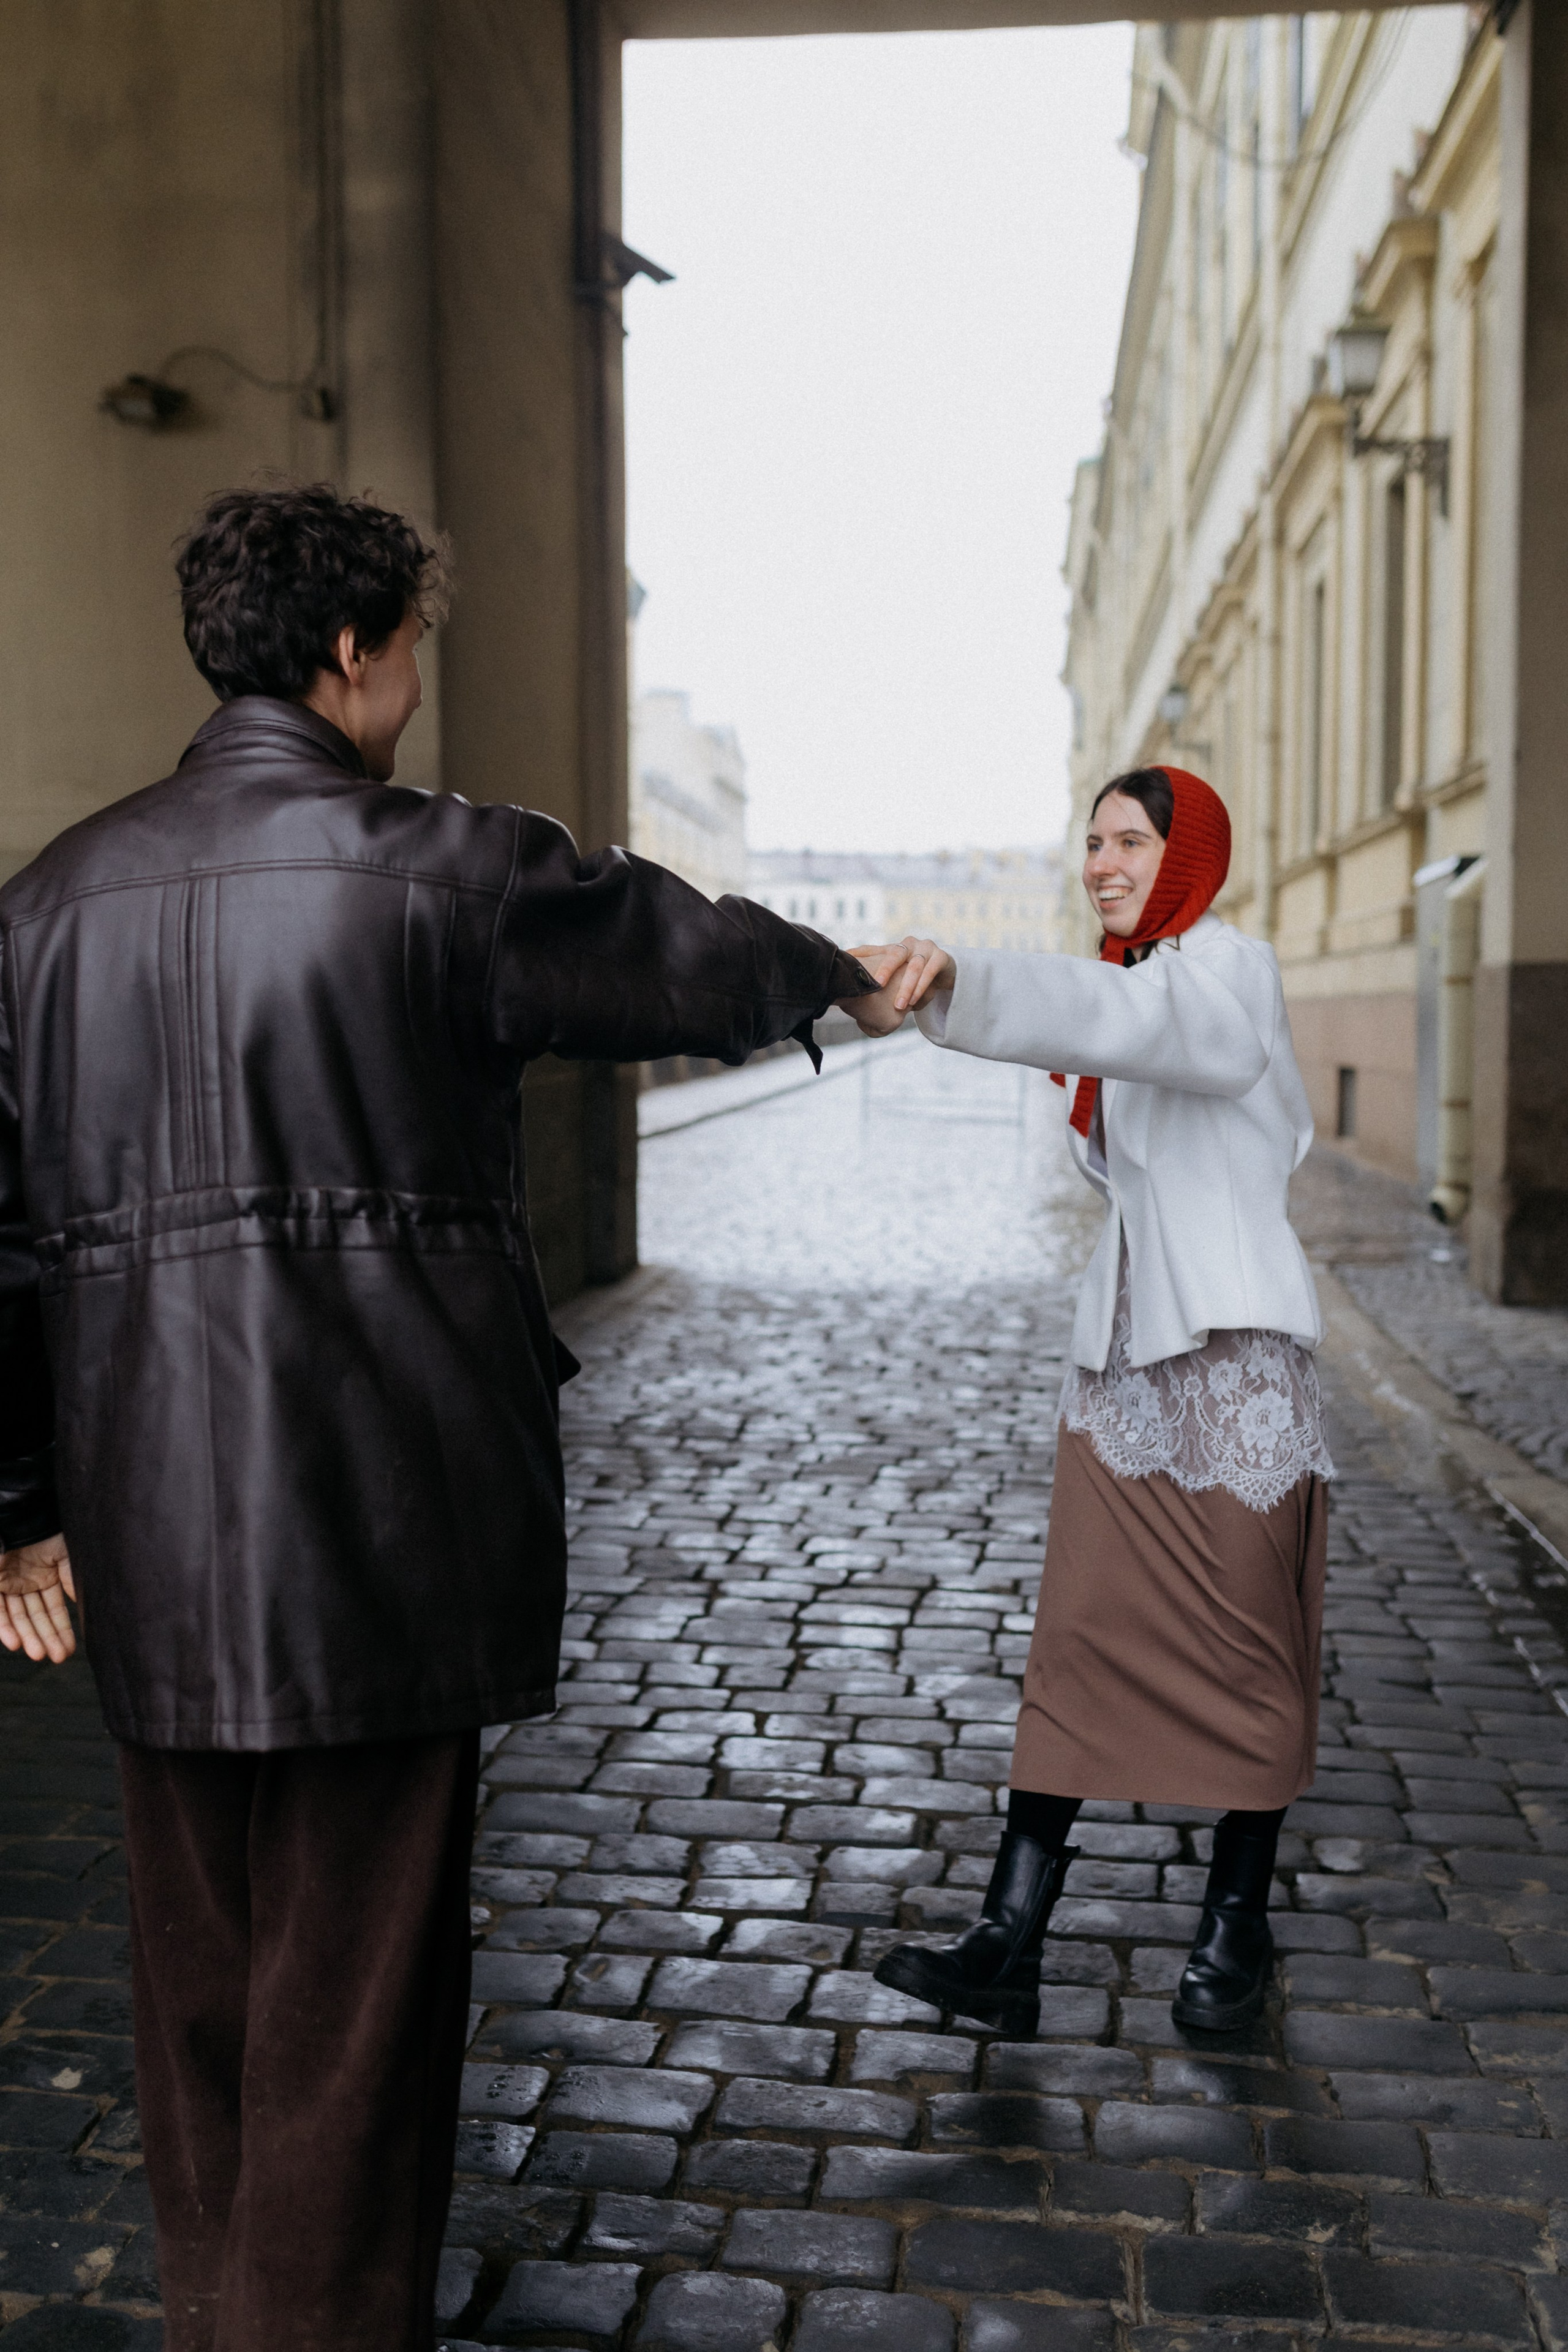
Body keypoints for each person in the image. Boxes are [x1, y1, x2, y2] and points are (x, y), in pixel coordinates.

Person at [0, 483, 882, 2351]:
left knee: (199, 1985)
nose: (413, 682)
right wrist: (844, 978)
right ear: (352, 652)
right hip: (382, 1526)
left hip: (147, 1529)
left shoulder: (45, 903)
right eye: (409, 646)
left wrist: (20, 1510)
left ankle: (221, 2314)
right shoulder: (449, 867)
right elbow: (676, 955)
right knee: (356, 2007)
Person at [848, 766, 1331, 2037]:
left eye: (1129, 841)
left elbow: (1125, 1019)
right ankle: (1007, 1942)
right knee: (1073, 1642)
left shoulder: (1224, 971)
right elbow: (1110, 1020)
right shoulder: (1143, 979)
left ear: (1188, 855)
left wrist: (957, 976)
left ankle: (1235, 1925)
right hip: (1124, 1366)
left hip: (1229, 1357)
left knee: (1248, 1652)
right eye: (1092, 842)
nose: (1101, 863)